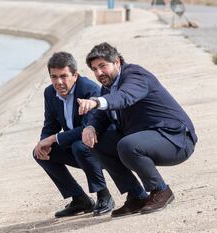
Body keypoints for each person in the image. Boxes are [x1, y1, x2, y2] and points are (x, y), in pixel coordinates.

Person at [77, 42, 197, 217]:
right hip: (148, 138)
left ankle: (161, 190)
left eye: (103, 66)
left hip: (176, 139)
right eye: (94, 69)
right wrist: (90, 127)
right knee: (96, 142)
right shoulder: (108, 86)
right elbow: (102, 116)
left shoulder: (135, 75)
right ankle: (136, 196)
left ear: (117, 62)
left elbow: (124, 97)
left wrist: (96, 102)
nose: (99, 73)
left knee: (128, 144)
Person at [33, 51, 114, 218]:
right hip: (78, 149)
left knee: (80, 145)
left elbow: (88, 128)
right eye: (54, 77)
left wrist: (53, 138)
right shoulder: (50, 93)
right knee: (39, 154)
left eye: (63, 76)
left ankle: (104, 196)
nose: (59, 82)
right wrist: (43, 143)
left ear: (75, 75)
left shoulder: (89, 90)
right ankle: (79, 199)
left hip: (102, 149)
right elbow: (50, 125)